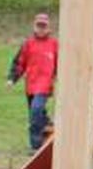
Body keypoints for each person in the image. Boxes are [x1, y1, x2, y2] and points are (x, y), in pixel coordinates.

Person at [8, 11, 59, 151]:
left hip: (45, 85)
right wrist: (12, 79)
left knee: (36, 111)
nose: (41, 29)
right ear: (34, 27)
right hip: (31, 85)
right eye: (39, 26)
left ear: (48, 28)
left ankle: (36, 145)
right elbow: (19, 63)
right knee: (35, 114)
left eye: (44, 26)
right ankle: (48, 127)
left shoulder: (54, 44)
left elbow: (60, 63)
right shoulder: (28, 44)